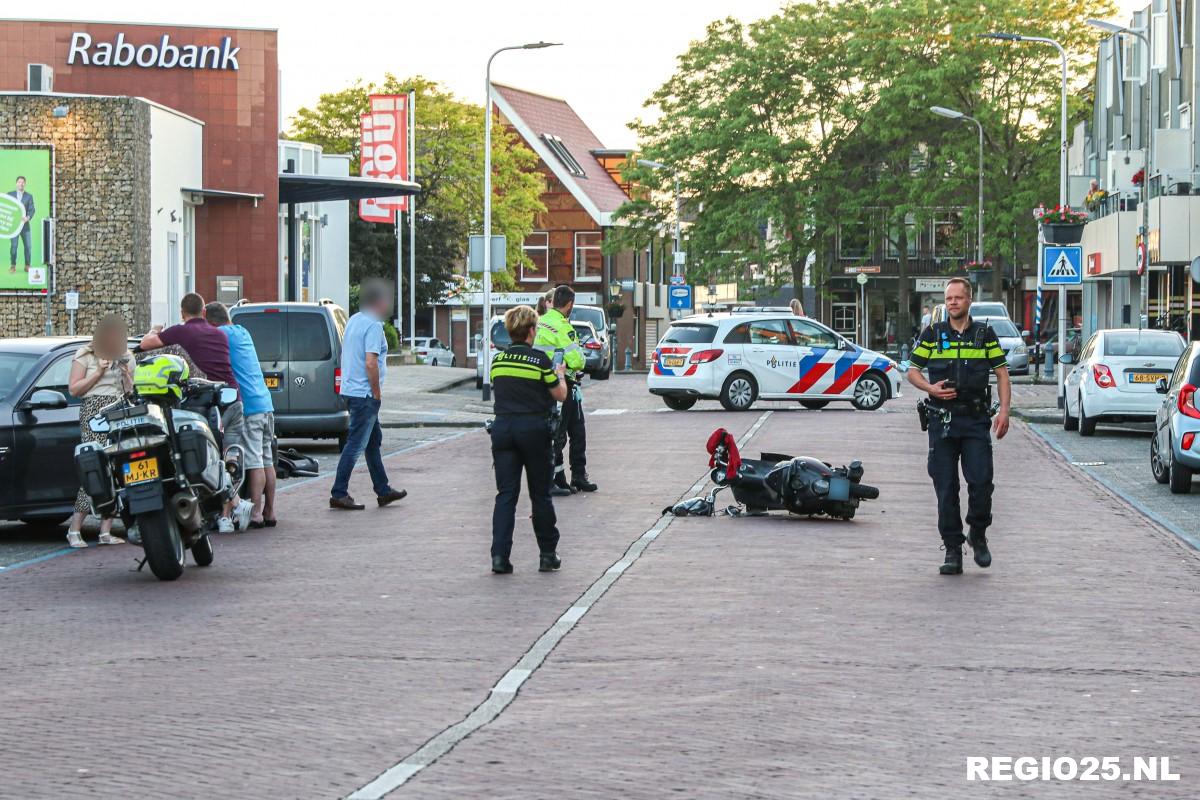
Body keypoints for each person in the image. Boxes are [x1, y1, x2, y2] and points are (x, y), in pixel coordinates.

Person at [906, 277, 1011, 575]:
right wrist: (931, 388)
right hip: (941, 420)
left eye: (958, 298)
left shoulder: (984, 334)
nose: (952, 302)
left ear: (969, 301)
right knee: (946, 487)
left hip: (975, 420)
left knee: (981, 483)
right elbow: (912, 371)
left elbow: (1002, 374)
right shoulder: (933, 334)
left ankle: (977, 533)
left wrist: (1004, 411)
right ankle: (953, 548)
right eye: (948, 298)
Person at [140, 292, 250, 532]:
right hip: (233, 399)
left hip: (208, 405)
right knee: (228, 460)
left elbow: (146, 344)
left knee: (208, 461)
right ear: (203, 312)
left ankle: (227, 509)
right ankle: (227, 516)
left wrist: (155, 330)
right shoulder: (219, 334)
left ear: (182, 313)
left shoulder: (181, 331)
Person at [488, 305, 569, 574]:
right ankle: (547, 554)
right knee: (540, 495)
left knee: (506, 495)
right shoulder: (539, 360)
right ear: (531, 330)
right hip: (533, 430)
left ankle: (499, 557)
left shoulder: (498, 362)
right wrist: (560, 374)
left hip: (503, 430)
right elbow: (560, 395)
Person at [330, 280, 406, 510]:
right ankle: (339, 492)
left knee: (372, 443)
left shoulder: (354, 320)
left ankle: (383, 490)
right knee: (355, 444)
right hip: (364, 394)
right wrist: (376, 394)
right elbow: (371, 362)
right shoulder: (374, 326)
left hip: (351, 390)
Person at [205, 302, 277, 529]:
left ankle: (254, 514)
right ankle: (269, 511)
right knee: (266, 460)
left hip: (250, 407)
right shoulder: (242, 331)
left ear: (211, 322)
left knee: (254, 461)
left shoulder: (221, 334)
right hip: (265, 403)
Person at [66, 313, 135, 548]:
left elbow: (129, 391)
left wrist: (125, 373)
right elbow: (74, 389)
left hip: (118, 409)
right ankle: (75, 528)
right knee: (93, 468)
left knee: (116, 469)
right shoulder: (85, 355)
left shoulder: (127, 356)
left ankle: (105, 530)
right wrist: (98, 373)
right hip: (94, 409)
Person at [535, 285, 595, 496]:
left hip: (546, 384)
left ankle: (568, 477)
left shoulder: (539, 322)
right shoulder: (562, 326)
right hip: (562, 385)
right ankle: (564, 477)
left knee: (569, 430)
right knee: (565, 434)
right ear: (570, 304)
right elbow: (577, 360)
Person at [8, 176, 35, 273]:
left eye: (23, 182)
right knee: (14, 246)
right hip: (14, 227)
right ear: (16, 183)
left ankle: (27, 265)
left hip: (25, 227)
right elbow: (6, 207)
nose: (21, 184)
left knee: (28, 246)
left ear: (25, 184)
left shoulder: (29, 196)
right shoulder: (9, 195)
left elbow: (32, 209)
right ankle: (12, 266)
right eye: (19, 182)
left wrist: (27, 218)